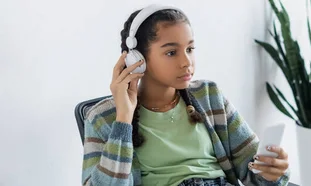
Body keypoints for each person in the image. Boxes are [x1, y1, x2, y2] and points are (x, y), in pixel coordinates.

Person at [81, 5, 290, 186]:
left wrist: (273, 171)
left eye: (190, 49)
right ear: (138, 59)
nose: (186, 62)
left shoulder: (209, 96)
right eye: (171, 52)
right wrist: (123, 120)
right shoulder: (103, 118)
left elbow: (255, 175)